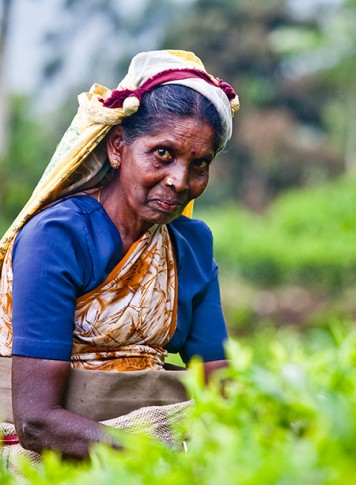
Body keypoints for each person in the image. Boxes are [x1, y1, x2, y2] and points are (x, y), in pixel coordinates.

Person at [0, 50, 239, 463]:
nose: (180, 181)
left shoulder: (191, 246)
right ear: (117, 147)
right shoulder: (59, 237)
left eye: (199, 164)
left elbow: (221, 386)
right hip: (51, 448)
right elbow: (36, 422)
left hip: (143, 431)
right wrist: (157, 453)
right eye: (163, 153)